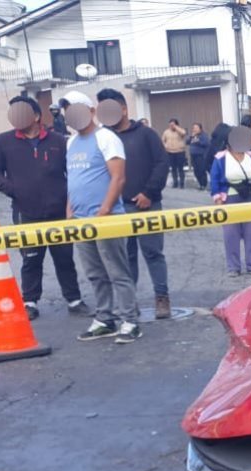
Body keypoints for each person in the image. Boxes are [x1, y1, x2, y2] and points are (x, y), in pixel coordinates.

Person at [0, 95, 89, 320]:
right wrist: (12, 189)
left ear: (36, 116)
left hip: (58, 212)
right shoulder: (3, 141)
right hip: (26, 212)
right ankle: (30, 301)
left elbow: (73, 172)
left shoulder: (58, 141)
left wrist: (70, 202)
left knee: (64, 257)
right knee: (31, 259)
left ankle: (74, 299)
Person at [63, 90, 140, 343]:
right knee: (95, 273)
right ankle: (105, 319)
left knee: (118, 271)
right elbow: (74, 179)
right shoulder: (71, 142)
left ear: (91, 111)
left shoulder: (106, 138)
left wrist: (105, 209)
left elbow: (118, 177)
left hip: (107, 219)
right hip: (81, 220)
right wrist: (69, 209)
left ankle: (130, 320)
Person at [97, 88, 172, 320]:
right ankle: (130, 304)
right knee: (125, 258)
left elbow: (161, 163)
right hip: (117, 209)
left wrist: (149, 192)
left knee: (153, 253)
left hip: (147, 206)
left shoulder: (146, 134)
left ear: (123, 109)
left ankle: (162, 297)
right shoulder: (103, 138)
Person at [210, 130, 251, 276]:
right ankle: (233, 267)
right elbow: (214, 178)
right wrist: (217, 197)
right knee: (231, 233)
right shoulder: (220, 158)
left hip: (250, 198)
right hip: (230, 198)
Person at [161, 118, 188, 189]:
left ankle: (182, 183)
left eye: (173, 124)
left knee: (180, 168)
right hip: (170, 152)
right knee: (173, 168)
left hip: (180, 152)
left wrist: (176, 128)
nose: (171, 126)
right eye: (170, 124)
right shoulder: (166, 132)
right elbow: (162, 140)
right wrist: (165, 146)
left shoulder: (180, 130)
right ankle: (175, 182)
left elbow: (183, 133)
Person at [187, 122, 210, 189]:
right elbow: (187, 142)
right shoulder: (193, 136)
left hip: (200, 156)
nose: (194, 129)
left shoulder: (203, 135)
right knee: (196, 171)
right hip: (193, 156)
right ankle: (200, 183)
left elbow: (206, 143)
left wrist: (198, 141)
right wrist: (191, 137)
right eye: (193, 128)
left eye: (196, 128)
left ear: (200, 129)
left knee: (201, 171)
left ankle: (203, 184)